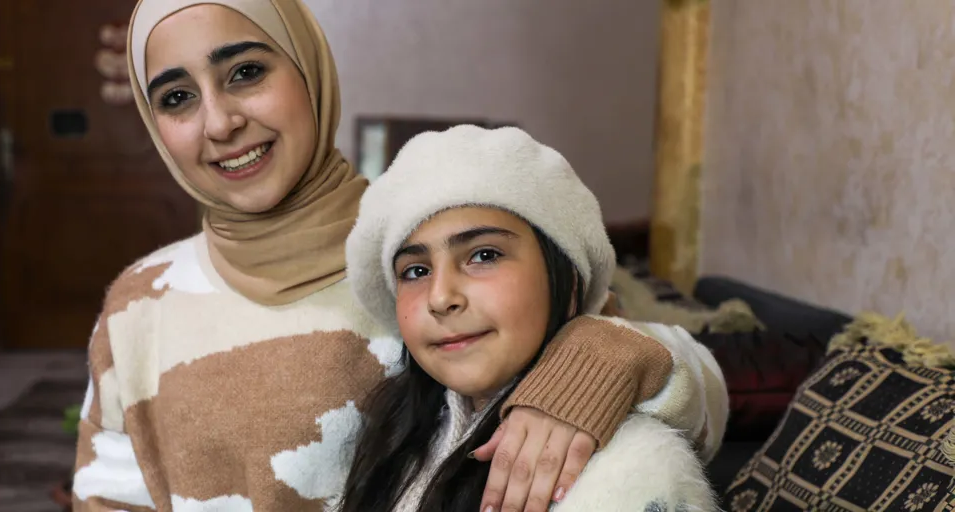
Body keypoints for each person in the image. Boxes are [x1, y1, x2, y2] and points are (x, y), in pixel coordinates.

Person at [72, 1, 728, 510]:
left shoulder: (419, 244)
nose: (219, 123)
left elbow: (669, 381)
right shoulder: (139, 302)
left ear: (308, 67)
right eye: (177, 97)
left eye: (246, 72)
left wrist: (606, 357)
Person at [339, 125, 717, 511]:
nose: (440, 298)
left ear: (567, 281)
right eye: (416, 271)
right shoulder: (394, 438)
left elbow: (699, 376)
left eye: (484, 255)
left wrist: (602, 360)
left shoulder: (628, 470)